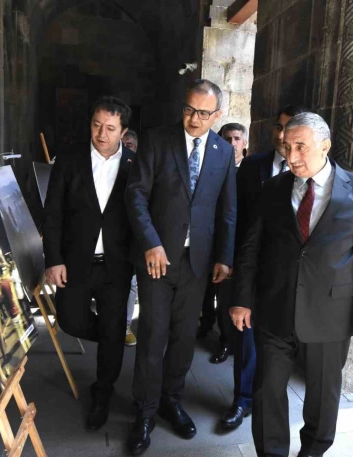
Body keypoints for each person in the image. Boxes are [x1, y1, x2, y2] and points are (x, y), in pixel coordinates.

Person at [231, 112, 353, 457]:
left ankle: (312, 452)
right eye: (287, 147)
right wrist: (242, 299)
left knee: (323, 395)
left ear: (324, 146)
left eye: (301, 147)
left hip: (329, 314)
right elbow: (251, 248)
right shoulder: (272, 189)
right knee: (267, 390)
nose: (292, 156)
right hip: (274, 308)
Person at [125, 79, 237, 455]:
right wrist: (150, 242)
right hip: (157, 260)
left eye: (203, 113)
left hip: (197, 263)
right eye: (189, 109)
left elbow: (227, 209)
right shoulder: (157, 140)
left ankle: (171, 402)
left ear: (217, 115)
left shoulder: (223, 151)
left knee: (184, 339)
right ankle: (144, 413)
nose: (193, 118)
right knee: (153, 336)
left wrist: (224, 257)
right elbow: (136, 195)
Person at [43, 96, 135, 431]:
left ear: (123, 131)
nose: (101, 134)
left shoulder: (135, 165)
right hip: (75, 262)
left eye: (110, 128)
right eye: (96, 125)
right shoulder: (70, 160)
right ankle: (114, 339)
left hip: (117, 266)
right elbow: (52, 214)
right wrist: (53, 259)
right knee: (70, 319)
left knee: (112, 325)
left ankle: (103, 391)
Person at [219, 105, 310, 429]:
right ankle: (241, 400)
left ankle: (269, 403)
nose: (283, 135)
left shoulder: (313, 171)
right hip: (252, 269)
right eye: (278, 127)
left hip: (291, 276)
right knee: (245, 339)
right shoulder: (252, 166)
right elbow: (234, 214)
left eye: (290, 128)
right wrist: (229, 259)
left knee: (279, 345)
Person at [197, 122, 248, 364]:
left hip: (236, 243)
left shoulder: (250, 170)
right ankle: (205, 324)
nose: (232, 144)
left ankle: (227, 340)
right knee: (205, 290)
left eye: (237, 138)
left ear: (244, 143)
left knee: (227, 295)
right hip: (207, 240)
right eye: (227, 139)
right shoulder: (210, 165)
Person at [124, 129, 139, 347]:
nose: (125, 148)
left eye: (129, 145)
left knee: (132, 283)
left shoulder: (141, 168)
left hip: (134, 234)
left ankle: (125, 325)